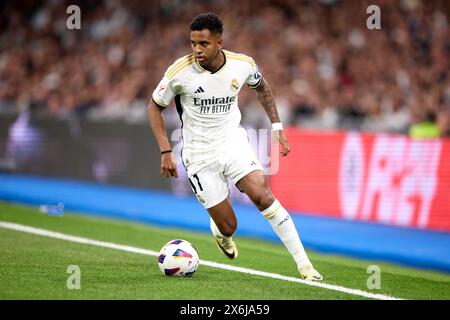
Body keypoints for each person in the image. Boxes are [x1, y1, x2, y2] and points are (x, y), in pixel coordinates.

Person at [148, 13, 322, 281]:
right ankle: (221, 232)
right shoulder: (179, 72)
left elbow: (263, 88)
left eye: (203, 43)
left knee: (263, 195)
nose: (197, 50)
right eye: (193, 43)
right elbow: (154, 107)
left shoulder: (242, 65)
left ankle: (305, 266)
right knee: (229, 225)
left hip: (233, 142)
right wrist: (165, 151)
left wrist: (277, 127)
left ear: (219, 42)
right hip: (199, 155)